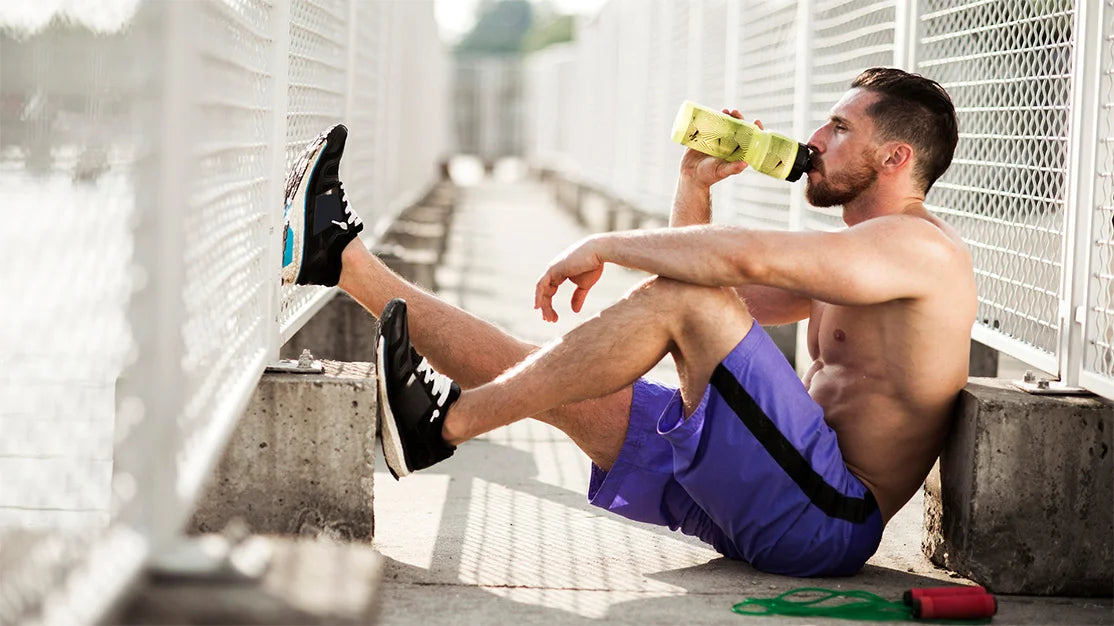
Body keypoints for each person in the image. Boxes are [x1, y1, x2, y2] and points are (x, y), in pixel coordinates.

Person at [280, 67, 976, 577]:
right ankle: (339, 260)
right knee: (544, 373)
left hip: (826, 518)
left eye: (841, 127)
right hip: (776, 485)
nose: (816, 138)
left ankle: (448, 424)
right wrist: (693, 187)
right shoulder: (859, 257)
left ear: (895, 157)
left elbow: (735, 266)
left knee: (684, 309)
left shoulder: (917, 250)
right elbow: (694, 291)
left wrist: (605, 246)